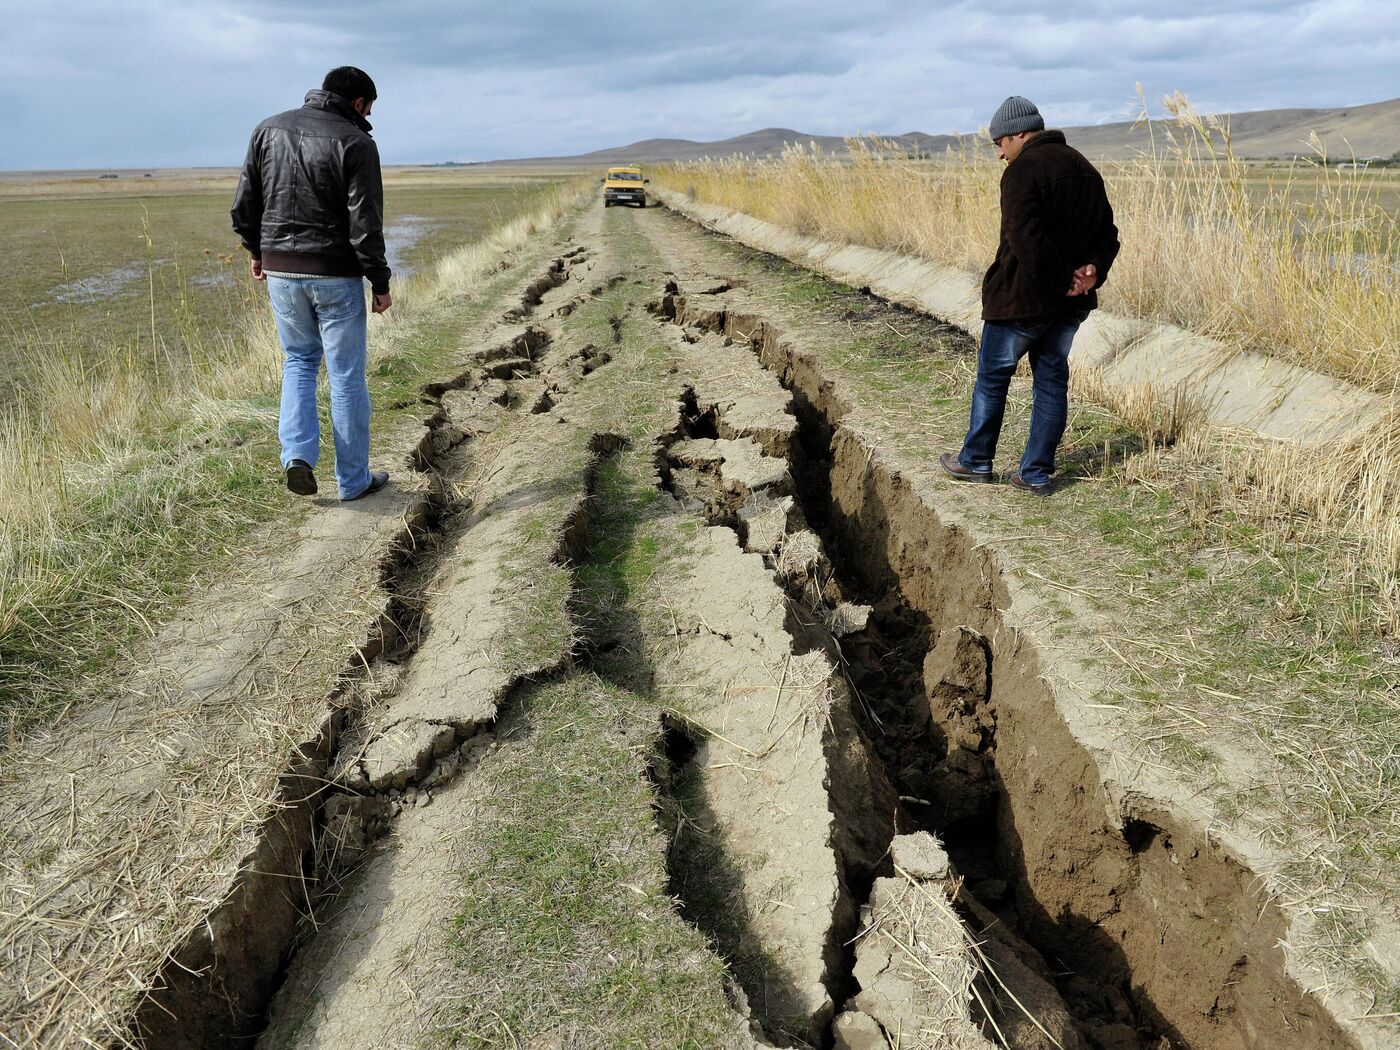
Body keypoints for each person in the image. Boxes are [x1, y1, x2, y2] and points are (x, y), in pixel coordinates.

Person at [940, 96, 1119, 496]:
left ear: (1020, 133)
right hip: (1069, 305)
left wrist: (1061, 280)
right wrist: (1091, 270)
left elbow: (1025, 239)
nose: (1000, 154)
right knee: (1052, 383)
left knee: (992, 379)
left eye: (1000, 143)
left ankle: (975, 461)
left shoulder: (1023, 171)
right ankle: (1036, 473)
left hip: (1021, 301)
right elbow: (1108, 234)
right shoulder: (1084, 168)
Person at [231, 66, 392, 501]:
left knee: (299, 362)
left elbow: (245, 203)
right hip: (336, 275)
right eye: (369, 109)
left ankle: (297, 457)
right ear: (359, 103)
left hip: (281, 272)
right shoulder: (357, 142)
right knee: (345, 376)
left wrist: (257, 253)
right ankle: (353, 481)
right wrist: (379, 280)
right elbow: (365, 223)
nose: (368, 117)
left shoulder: (267, 129)